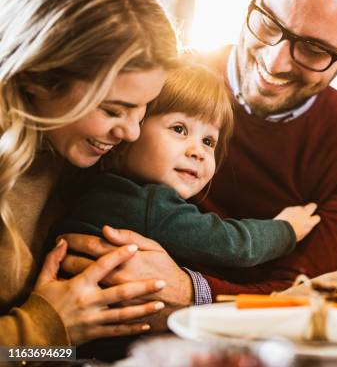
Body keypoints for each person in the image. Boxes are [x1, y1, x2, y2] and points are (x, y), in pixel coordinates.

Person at [61, 0, 337, 308]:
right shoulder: (165, 78)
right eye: (269, 23)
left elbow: (306, 293)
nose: (274, 62)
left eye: (314, 50)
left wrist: (191, 291)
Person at [0, 0, 181, 345]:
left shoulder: (75, 156)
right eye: (113, 109)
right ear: (37, 79)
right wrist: (42, 330)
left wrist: (183, 289)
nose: (132, 131)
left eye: (144, 105)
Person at [54, 63, 321, 269]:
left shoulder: (109, 191)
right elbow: (232, 245)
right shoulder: (148, 204)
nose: (198, 152)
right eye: (179, 129)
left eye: (208, 141)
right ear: (132, 130)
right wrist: (286, 230)